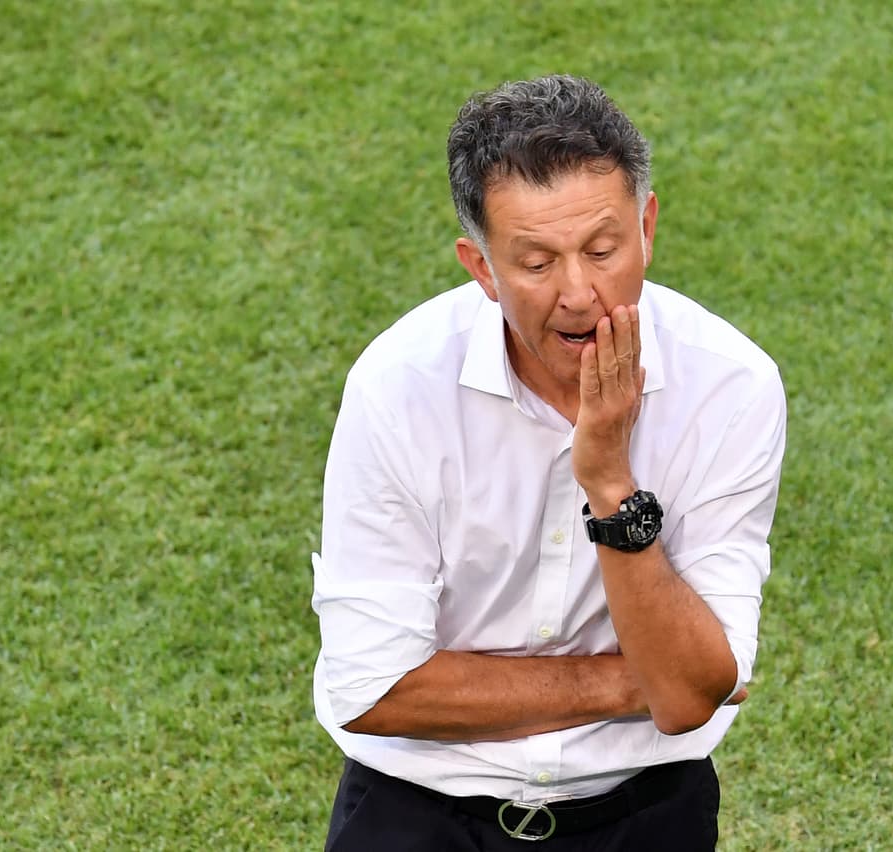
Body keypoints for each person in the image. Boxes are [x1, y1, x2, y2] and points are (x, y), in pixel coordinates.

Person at [311, 74, 786, 850]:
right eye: (535, 262)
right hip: (417, 815)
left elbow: (692, 698)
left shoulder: (730, 386)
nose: (580, 293)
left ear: (649, 227)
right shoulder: (398, 386)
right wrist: (628, 682)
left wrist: (610, 483)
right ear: (482, 268)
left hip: (647, 815)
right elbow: (373, 688)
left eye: (604, 249)